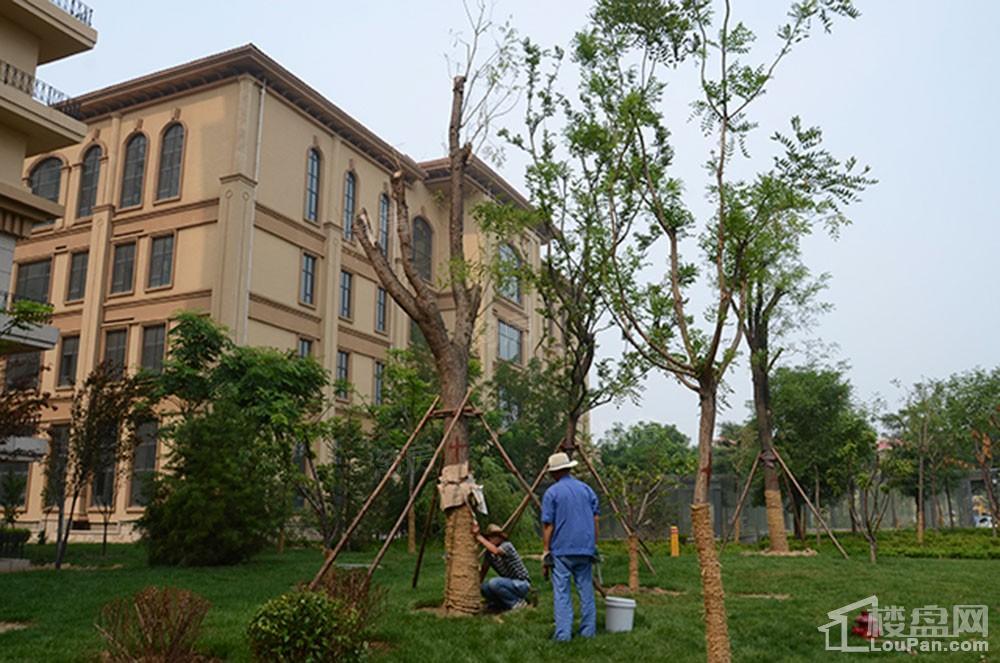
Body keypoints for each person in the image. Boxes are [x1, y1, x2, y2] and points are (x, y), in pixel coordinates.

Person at [541, 451, 599, 641]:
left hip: (562, 549)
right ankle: (588, 632)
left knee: (562, 592)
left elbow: (548, 525)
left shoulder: (552, 493)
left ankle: (563, 635)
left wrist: (546, 550)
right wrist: (593, 543)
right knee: (586, 590)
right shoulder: (586, 489)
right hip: (585, 547)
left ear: (554, 472)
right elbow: (595, 518)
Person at [473, 521, 532, 612]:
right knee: (484, 587)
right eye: (491, 536)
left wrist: (479, 537)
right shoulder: (489, 554)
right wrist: (476, 586)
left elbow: (496, 551)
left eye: (495, 536)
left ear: (501, 537)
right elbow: (484, 570)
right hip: (508, 584)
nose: (493, 538)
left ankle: (517, 603)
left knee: (494, 583)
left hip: (521, 584)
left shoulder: (507, 546)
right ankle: (501, 605)